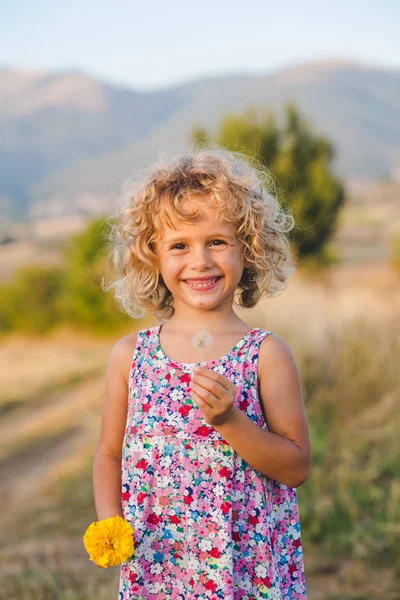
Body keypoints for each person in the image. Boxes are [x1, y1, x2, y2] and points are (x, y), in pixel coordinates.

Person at [93, 146, 312, 599]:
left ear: (247, 249)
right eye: (179, 246)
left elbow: (295, 468)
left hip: (244, 570)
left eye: (217, 241)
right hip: (159, 566)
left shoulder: (266, 354)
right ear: (152, 256)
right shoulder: (129, 356)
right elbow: (109, 453)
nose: (200, 261)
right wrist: (110, 522)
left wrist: (231, 422)